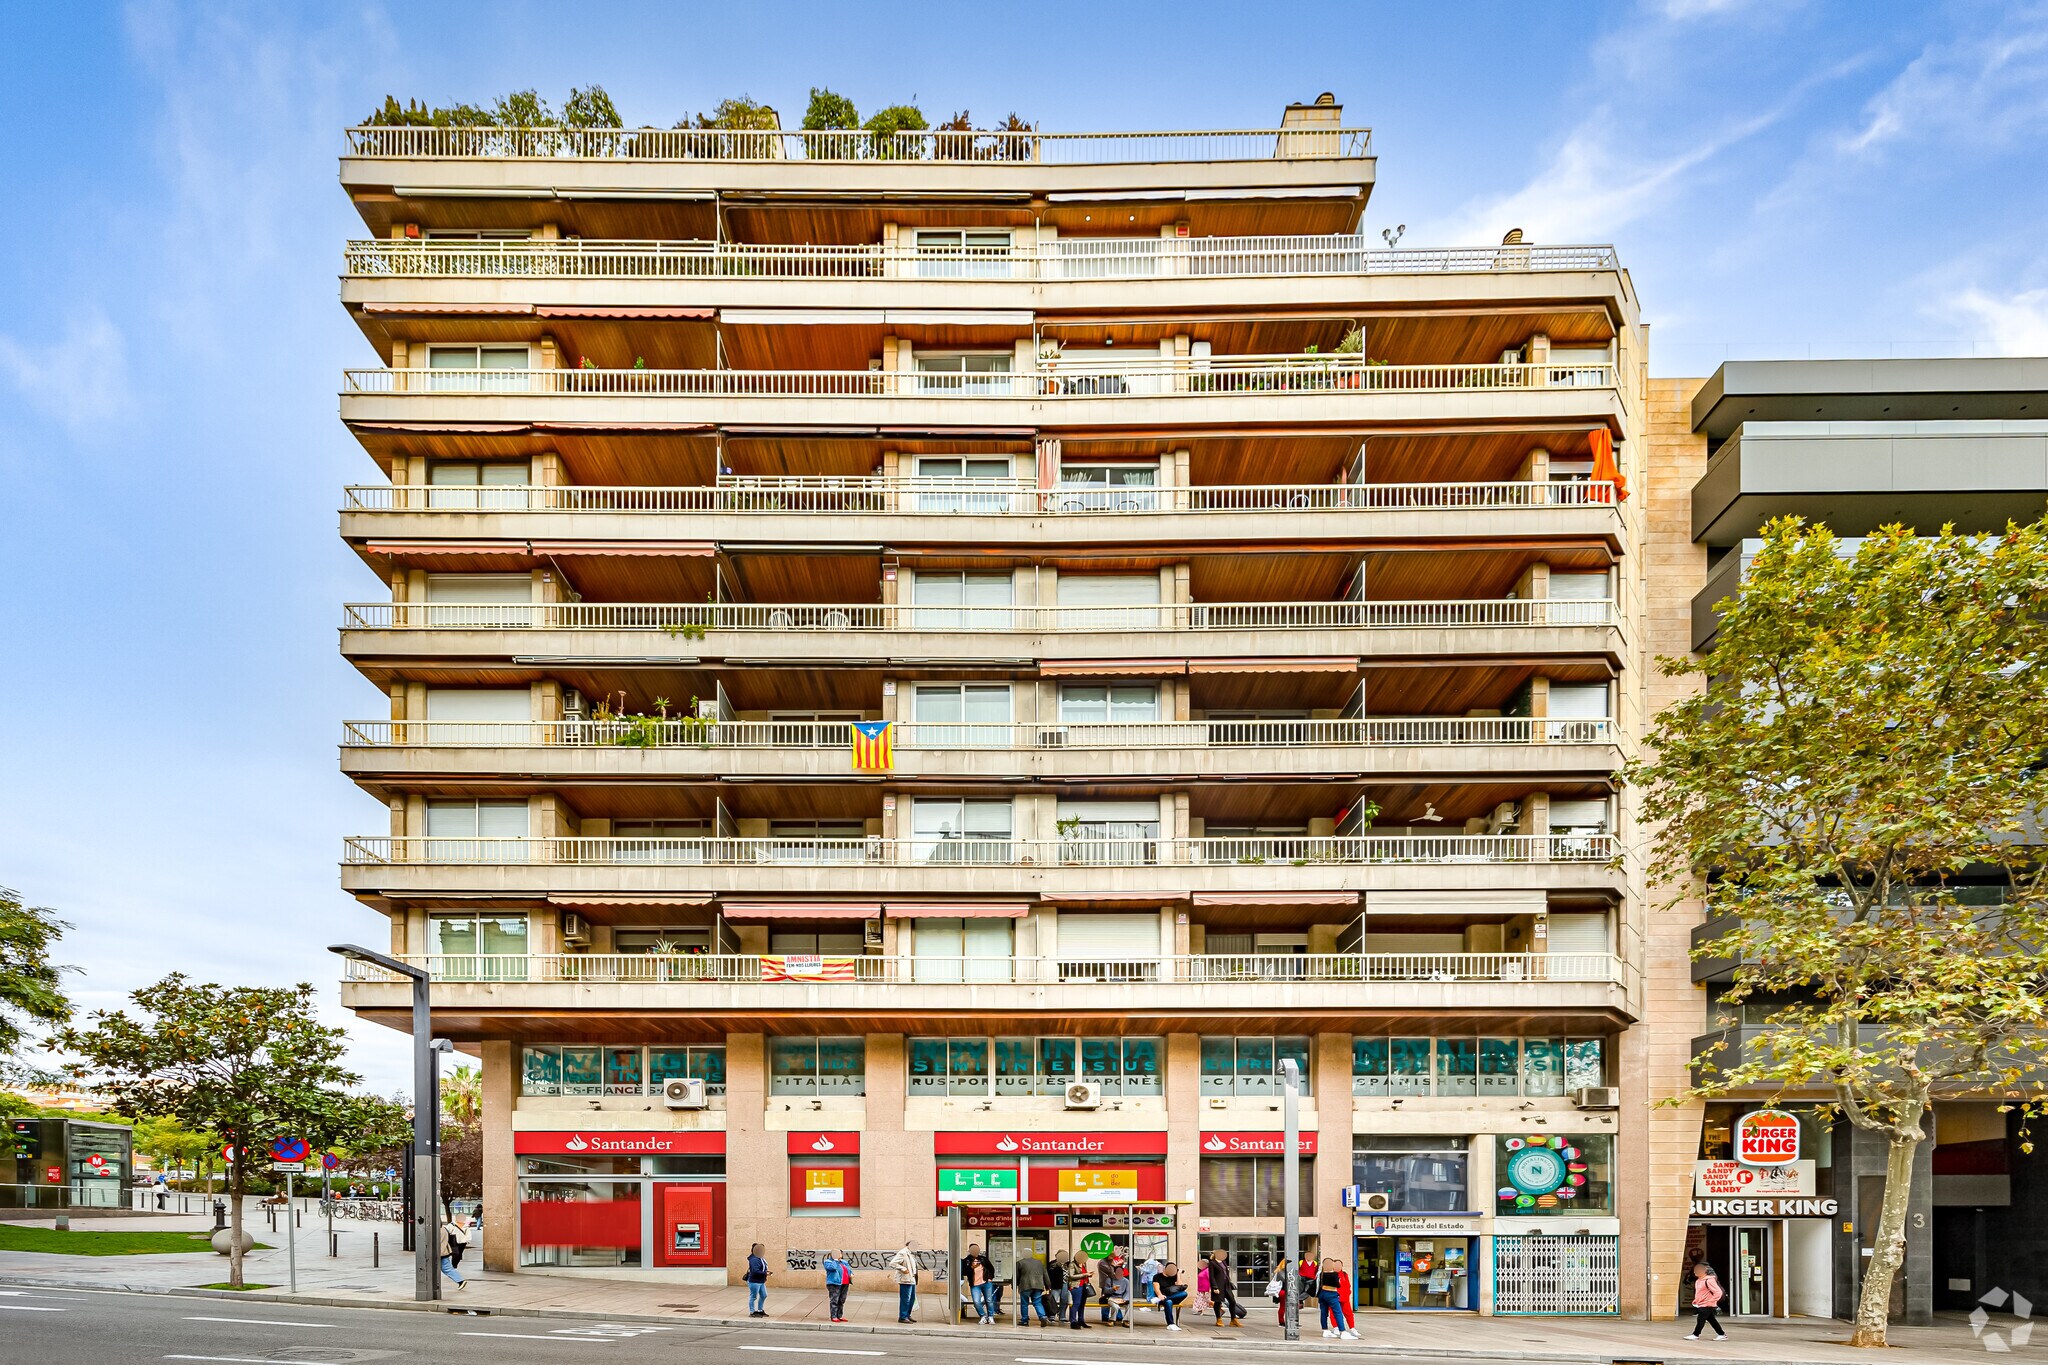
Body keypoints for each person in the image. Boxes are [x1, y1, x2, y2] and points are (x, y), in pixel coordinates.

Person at [1688, 1262, 1729, 1341]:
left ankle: (1695, 1334)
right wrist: (1696, 1301)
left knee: (1701, 1319)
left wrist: (1711, 1301)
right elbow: (1699, 1293)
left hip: (1707, 1305)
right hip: (1702, 1304)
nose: (1695, 1272)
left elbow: (1718, 1292)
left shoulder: (1709, 1280)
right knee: (1712, 1320)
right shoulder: (1698, 1281)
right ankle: (1722, 1334)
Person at [1207, 1249, 1246, 1326]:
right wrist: (1214, 1287)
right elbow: (1211, 1277)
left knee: (1232, 1301)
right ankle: (1218, 1319)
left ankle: (1233, 1319)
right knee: (1218, 1302)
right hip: (1218, 1285)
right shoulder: (1212, 1263)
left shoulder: (1223, 1262)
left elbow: (1226, 1273)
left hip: (1226, 1285)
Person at [962, 1243, 997, 1323]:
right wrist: (971, 1268)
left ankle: (991, 1316)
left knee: (989, 1300)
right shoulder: (966, 1261)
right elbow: (964, 1272)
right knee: (976, 1302)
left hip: (986, 1283)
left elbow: (991, 1269)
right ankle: (983, 1316)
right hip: (975, 1285)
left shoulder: (983, 1259)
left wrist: (990, 1278)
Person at [888, 1241, 920, 1323]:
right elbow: (892, 1263)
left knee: (912, 1298)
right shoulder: (903, 1253)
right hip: (905, 1279)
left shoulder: (911, 1253)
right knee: (906, 1299)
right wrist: (903, 1269)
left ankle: (907, 1315)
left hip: (911, 1279)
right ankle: (902, 1316)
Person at [1151, 1260, 1188, 1331]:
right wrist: (1160, 1295)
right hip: (1162, 1298)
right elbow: (1156, 1288)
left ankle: (1164, 1299)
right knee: (1169, 1302)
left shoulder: (1174, 1276)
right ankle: (1171, 1324)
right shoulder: (1157, 1276)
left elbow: (1180, 1286)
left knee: (1184, 1293)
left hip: (1174, 1297)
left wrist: (1178, 1274)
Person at [1016, 1251, 1049, 1326]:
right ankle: (1042, 1316)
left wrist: (1014, 1285)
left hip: (1025, 1286)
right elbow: (1045, 1275)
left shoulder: (1020, 1263)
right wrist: (1048, 1286)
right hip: (1038, 1286)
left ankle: (1024, 1320)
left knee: (1024, 1303)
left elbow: (1016, 1276)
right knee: (1037, 1302)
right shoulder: (1040, 1263)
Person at [1096, 1252, 1128, 1325]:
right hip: (1105, 1282)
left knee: (1116, 1298)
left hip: (1114, 1281)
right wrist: (1113, 1264)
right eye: (1112, 1257)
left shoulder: (1109, 1261)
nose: (1113, 1259)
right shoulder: (1102, 1262)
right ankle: (1105, 1316)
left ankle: (1118, 1316)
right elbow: (1111, 1271)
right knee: (1106, 1299)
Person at [437, 1216, 467, 1290]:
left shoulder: (436, 1231)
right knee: (447, 1268)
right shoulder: (444, 1229)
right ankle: (460, 1280)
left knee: (435, 1268)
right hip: (445, 1252)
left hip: (438, 1252)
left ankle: (460, 1281)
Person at [823, 1249, 852, 1323]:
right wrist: (835, 1260)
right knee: (834, 1300)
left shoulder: (844, 1262)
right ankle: (834, 1316)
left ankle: (840, 1315)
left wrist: (851, 1274)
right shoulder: (828, 1262)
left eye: (840, 1254)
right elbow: (832, 1268)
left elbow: (848, 1270)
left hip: (845, 1283)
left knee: (841, 1300)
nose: (840, 1255)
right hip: (834, 1283)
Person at [1332, 1259, 1359, 1340]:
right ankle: (1336, 1327)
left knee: (1349, 1313)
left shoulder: (1344, 1274)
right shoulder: (1331, 1274)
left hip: (1345, 1297)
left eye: (1339, 1265)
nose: (1337, 1266)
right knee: (1334, 1313)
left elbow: (1348, 1285)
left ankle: (1352, 1328)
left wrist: (1348, 1293)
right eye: (1336, 1265)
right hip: (1334, 1297)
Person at [1066, 1253, 1092, 1328]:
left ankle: (1081, 1320)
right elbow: (1071, 1276)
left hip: (1084, 1285)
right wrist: (1085, 1275)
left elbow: (1084, 1274)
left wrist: (1088, 1275)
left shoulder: (1084, 1264)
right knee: (1076, 1303)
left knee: (1082, 1304)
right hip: (1076, 1286)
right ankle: (1073, 1321)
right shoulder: (1072, 1264)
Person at [745, 1243, 770, 1317]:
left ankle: (760, 1310)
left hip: (761, 1280)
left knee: (764, 1295)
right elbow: (755, 1271)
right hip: (754, 1281)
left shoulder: (760, 1258)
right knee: (753, 1296)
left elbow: (762, 1268)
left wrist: (765, 1272)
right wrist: (765, 1273)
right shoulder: (754, 1259)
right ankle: (752, 1312)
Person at [1046, 1251, 1067, 1317]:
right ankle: (1052, 1315)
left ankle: (1062, 1315)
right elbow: (1049, 1274)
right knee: (1053, 1300)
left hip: (1065, 1284)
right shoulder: (1052, 1264)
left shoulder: (1067, 1264)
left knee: (1064, 1300)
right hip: (1055, 1285)